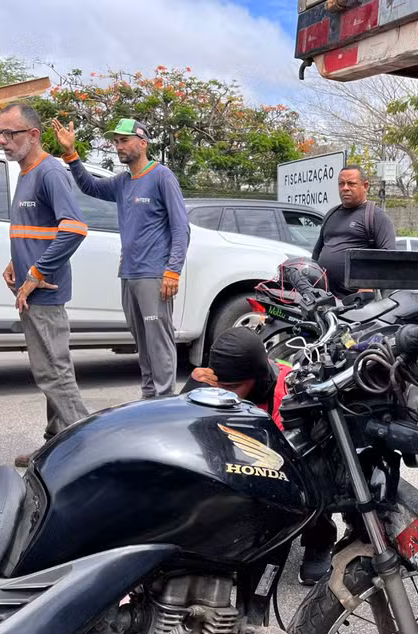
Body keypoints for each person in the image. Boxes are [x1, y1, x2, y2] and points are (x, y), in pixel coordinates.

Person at [183, 327, 333, 584]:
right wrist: (189, 393)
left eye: (231, 387)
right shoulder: (209, 383)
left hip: (284, 467)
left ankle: (320, 540)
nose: (224, 393)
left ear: (256, 378)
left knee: (318, 470)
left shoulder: (287, 392)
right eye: (218, 385)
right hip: (237, 465)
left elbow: (290, 463)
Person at [52, 118, 188, 400]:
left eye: (124, 140)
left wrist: (172, 271)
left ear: (142, 142)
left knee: (158, 340)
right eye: (116, 142)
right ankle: (150, 398)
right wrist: (71, 155)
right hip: (129, 274)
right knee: (143, 341)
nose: (118, 147)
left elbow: (180, 227)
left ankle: (164, 401)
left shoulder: (162, 177)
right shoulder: (123, 182)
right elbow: (90, 186)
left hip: (154, 275)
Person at [0, 104, 90, 467]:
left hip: (44, 293)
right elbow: (39, 229)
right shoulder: (25, 172)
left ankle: (91, 447)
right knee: (53, 372)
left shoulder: (50, 172)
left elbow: (74, 228)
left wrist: (34, 272)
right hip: (32, 291)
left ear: (33, 135)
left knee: (53, 374)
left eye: (11, 134)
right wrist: (15, 261)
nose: (2, 141)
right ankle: (55, 449)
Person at [311, 165, 396, 298]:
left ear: (365, 185)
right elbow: (316, 253)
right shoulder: (330, 214)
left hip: (358, 302)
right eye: (341, 184)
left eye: (351, 183)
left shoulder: (376, 217)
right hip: (325, 298)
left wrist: (368, 286)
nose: (345, 188)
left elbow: (388, 259)